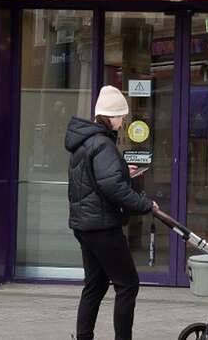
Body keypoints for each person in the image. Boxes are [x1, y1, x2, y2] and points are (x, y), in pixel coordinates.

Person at [64, 85, 158, 340]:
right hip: (103, 227)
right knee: (128, 285)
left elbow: (96, 181)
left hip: (84, 225)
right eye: (121, 117)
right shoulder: (103, 145)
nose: (123, 122)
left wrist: (120, 170)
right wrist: (145, 204)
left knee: (94, 285)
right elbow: (112, 187)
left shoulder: (84, 144)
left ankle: (84, 337)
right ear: (111, 116)